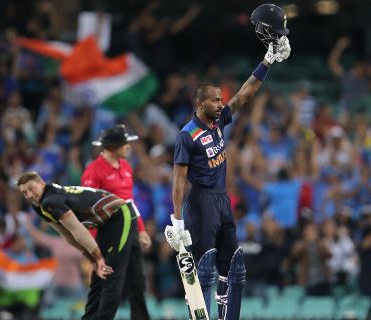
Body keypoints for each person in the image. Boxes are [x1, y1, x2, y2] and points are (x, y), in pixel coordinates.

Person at [164, 4, 291, 319]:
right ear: (199, 103)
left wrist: (267, 61)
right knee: (204, 266)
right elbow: (179, 179)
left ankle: (225, 315)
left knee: (232, 264)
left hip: (222, 200)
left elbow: (245, 95)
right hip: (201, 202)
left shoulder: (218, 122)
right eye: (215, 100)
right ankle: (202, 312)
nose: (221, 104)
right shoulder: (187, 135)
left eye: (221, 99)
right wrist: (177, 220)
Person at [16, 171, 140, 320]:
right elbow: (67, 234)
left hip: (121, 214)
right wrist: (91, 257)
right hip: (106, 223)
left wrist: (98, 258)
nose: (29, 195)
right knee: (97, 275)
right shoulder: (40, 205)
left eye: (31, 189)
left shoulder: (50, 201)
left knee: (109, 273)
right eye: (24, 193)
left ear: (41, 184)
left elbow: (78, 230)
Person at [81, 124, 151, 320]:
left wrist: (141, 229)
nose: (128, 146)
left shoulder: (126, 167)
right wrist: (93, 248)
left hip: (131, 229)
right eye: (124, 143)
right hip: (109, 234)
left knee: (138, 282)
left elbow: (129, 202)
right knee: (108, 282)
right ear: (112, 146)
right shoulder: (93, 172)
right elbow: (88, 211)